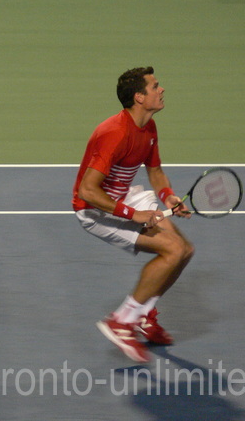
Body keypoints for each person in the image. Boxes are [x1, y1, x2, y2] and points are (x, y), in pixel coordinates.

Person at [72, 66, 193, 363]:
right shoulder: (113, 133)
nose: (161, 90)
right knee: (172, 249)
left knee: (185, 250)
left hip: (125, 195)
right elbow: (88, 191)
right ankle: (122, 320)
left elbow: (155, 170)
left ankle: (143, 314)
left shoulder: (148, 127)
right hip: (96, 210)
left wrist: (169, 197)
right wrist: (133, 214)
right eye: (155, 87)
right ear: (139, 97)